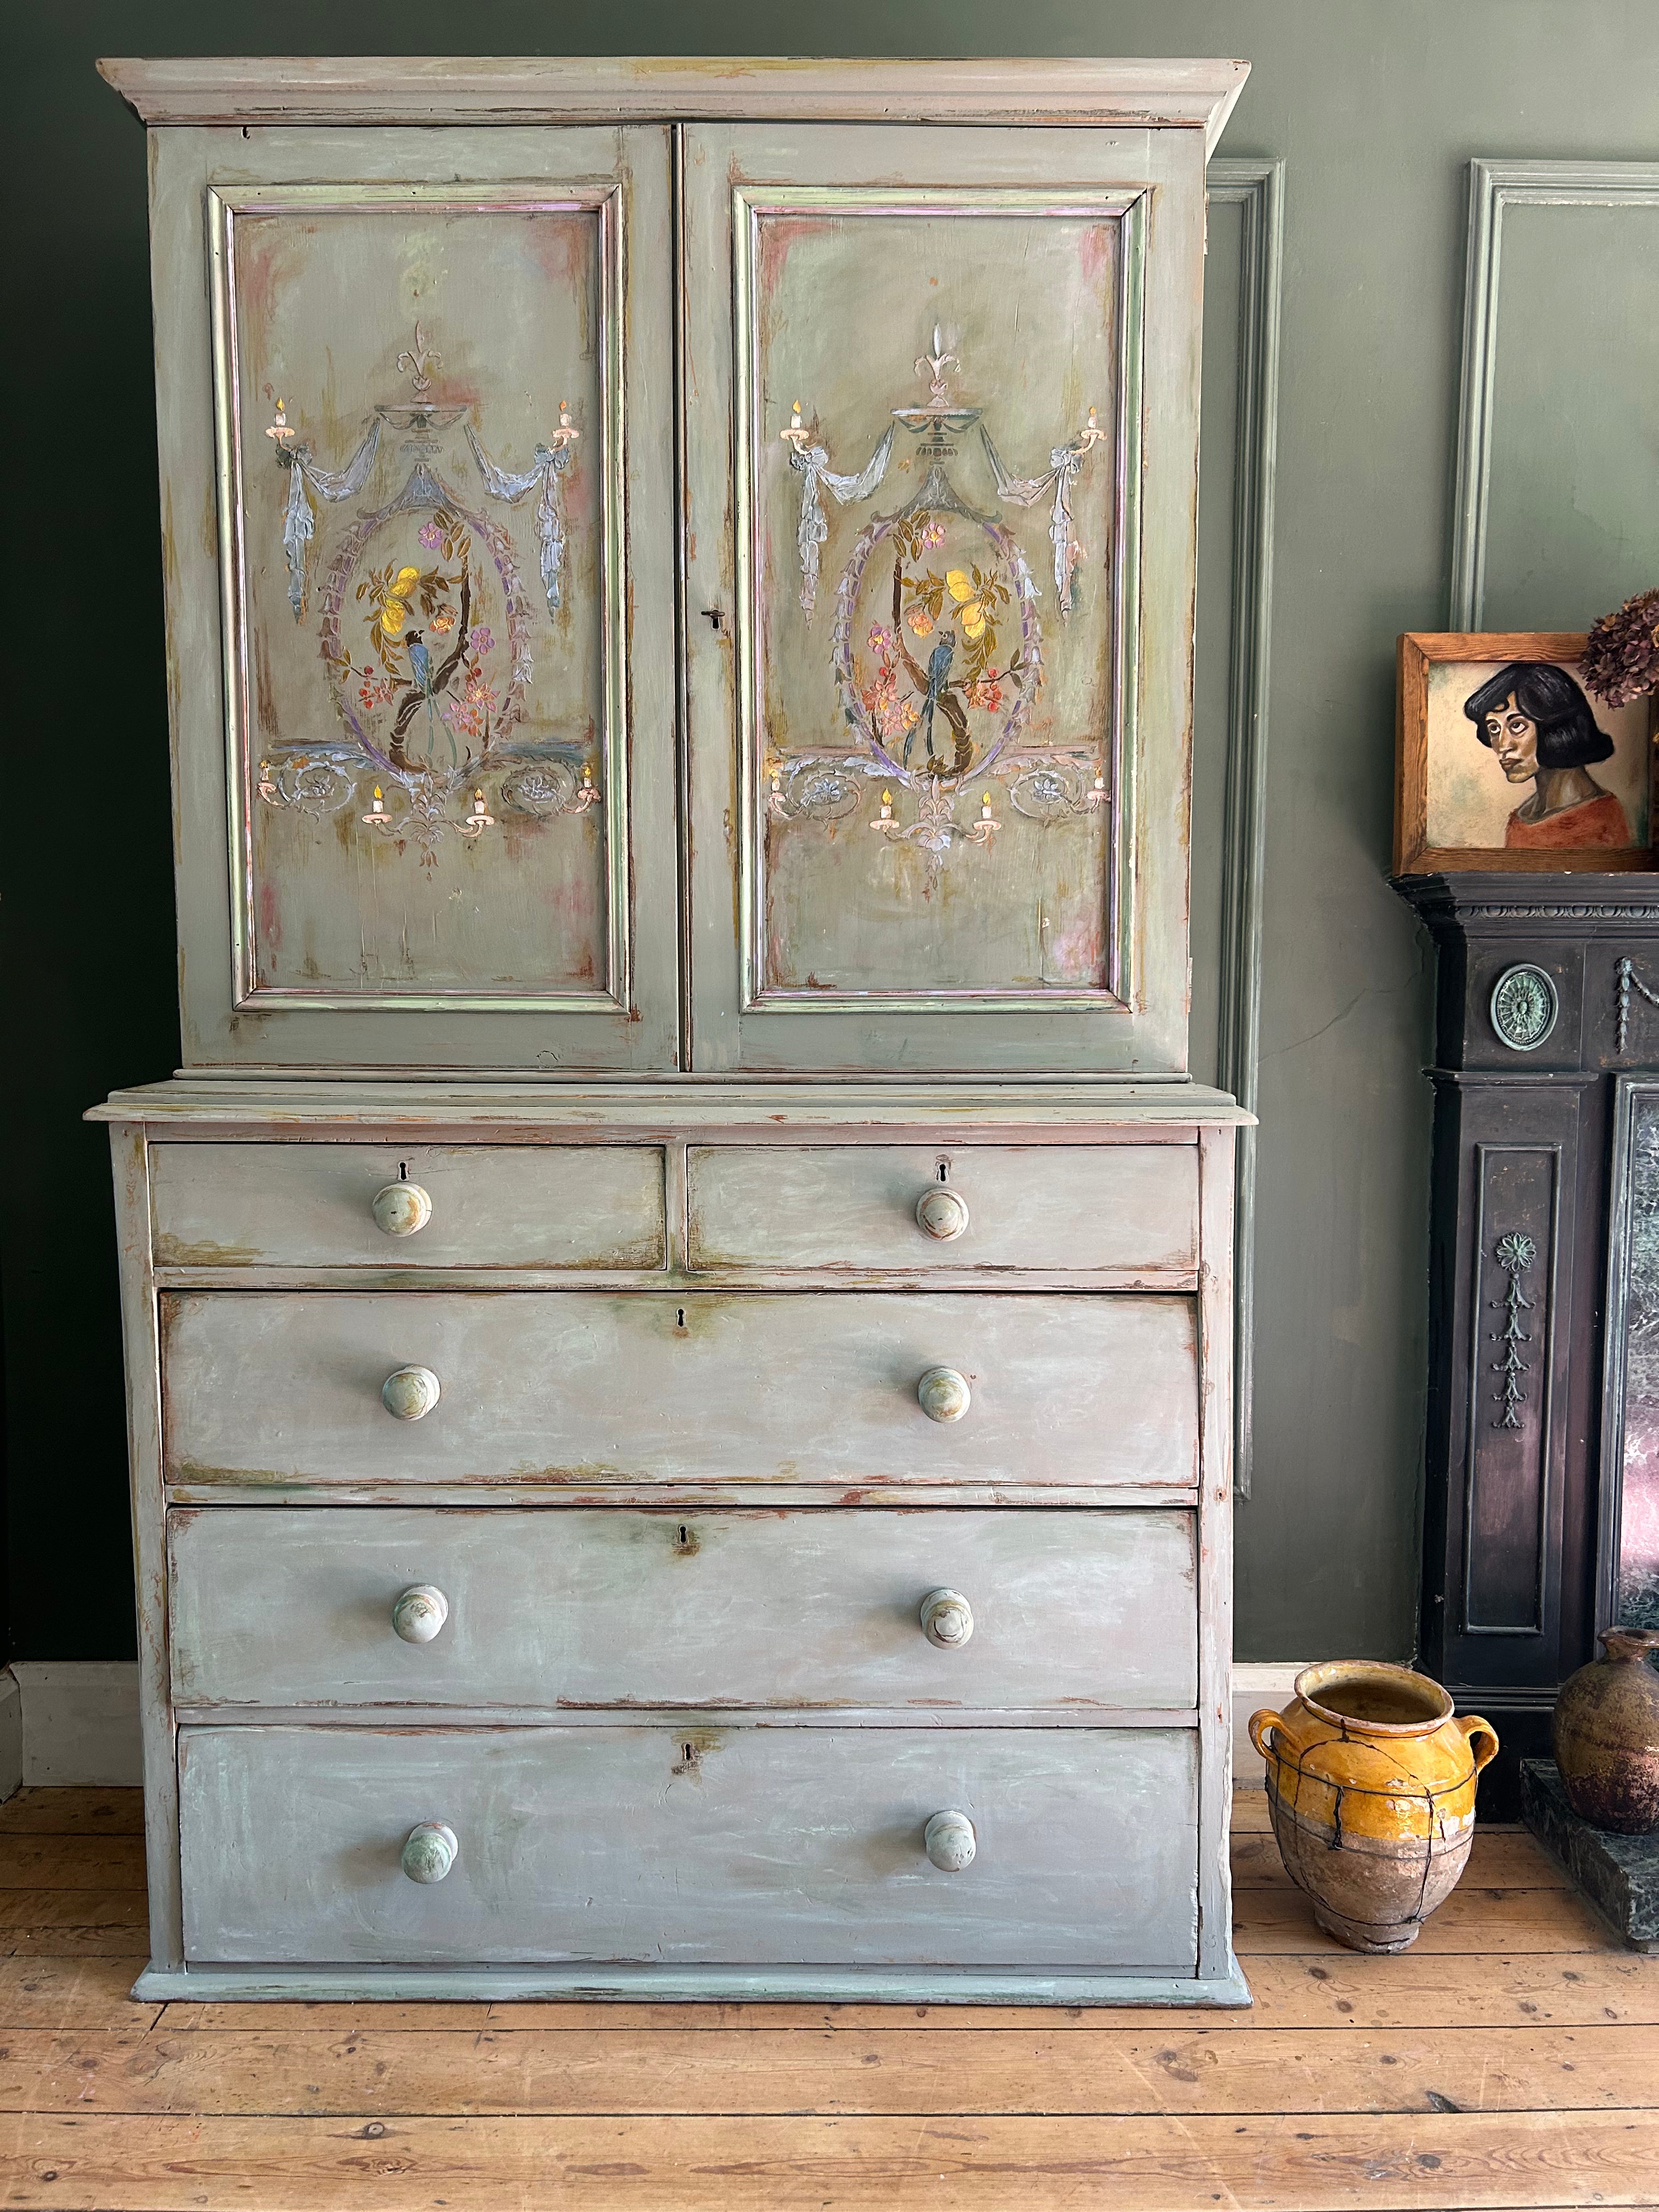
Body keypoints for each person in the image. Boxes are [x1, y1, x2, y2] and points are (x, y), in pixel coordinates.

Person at [1464, 662, 1630, 849]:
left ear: (1555, 729)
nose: (1502, 746)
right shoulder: (1520, 819)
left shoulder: (1602, 821)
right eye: (1494, 728)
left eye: (1517, 726)